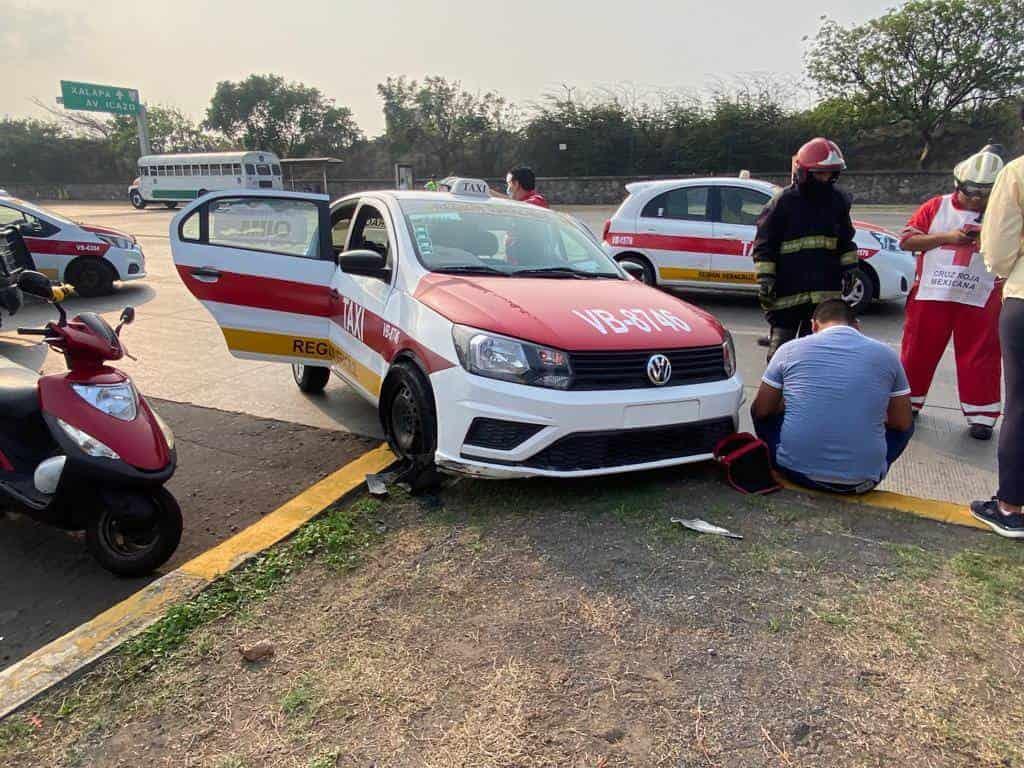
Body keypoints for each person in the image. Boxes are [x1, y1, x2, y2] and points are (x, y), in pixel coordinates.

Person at [751, 299, 915, 494]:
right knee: (907, 426)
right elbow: (901, 423)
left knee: (767, 415)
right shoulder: (887, 355)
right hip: (862, 483)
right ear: (857, 326)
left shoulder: (788, 350)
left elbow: (760, 410)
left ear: (813, 325)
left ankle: (782, 458)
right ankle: (869, 468)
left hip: (795, 473)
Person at [899, 148, 1005, 440]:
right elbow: (907, 241)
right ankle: (909, 402)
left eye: (985, 194)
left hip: (980, 297)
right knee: (917, 350)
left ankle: (982, 415)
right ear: (958, 184)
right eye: (971, 193)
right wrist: (947, 238)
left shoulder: (1005, 212)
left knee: (981, 355)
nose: (976, 201)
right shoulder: (936, 207)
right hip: (933, 295)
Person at [753, 138, 859, 361]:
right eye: (820, 174)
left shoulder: (838, 201)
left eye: (830, 173)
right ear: (804, 173)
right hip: (787, 290)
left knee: (818, 356)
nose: (826, 179)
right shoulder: (783, 202)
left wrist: (850, 267)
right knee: (781, 355)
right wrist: (766, 278)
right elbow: (765, 243)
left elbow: (845, 240)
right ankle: (778, 395)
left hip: (824, 290)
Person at [972, 106, 1024, 538]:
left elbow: (1000, 248)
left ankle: (1010, 508)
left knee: (1021, 405)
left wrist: (1005, 268)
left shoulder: (1017, 172)